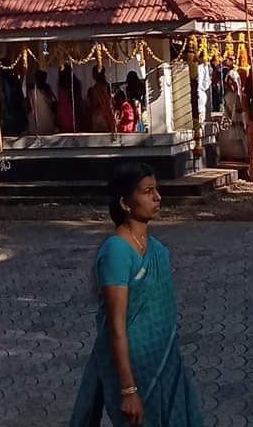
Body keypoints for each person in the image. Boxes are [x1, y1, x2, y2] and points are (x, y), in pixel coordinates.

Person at [69, 163, 202, 427]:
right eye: (147, 191)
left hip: (164, 360)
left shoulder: (156, 249)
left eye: (157, 190)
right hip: (133, 369)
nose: (157, 197)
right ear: (125, 203)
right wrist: (129, 390)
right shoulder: (116, 252)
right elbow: (117, 327)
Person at [28, 69, 57, 135]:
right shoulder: (46, 88)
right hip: (46, 118)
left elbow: (30, 105)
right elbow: (51, 102)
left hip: (37, 119)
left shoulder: (32, 89)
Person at [88, 68, 117, 133]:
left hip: (99, 117)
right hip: (108, 115)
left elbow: (95, 103)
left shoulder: (96, 88)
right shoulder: (107, 86)